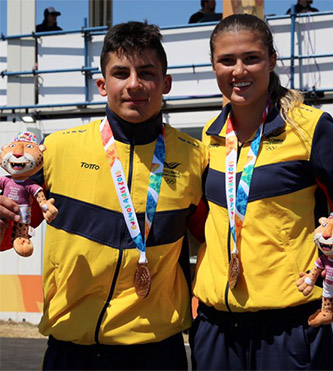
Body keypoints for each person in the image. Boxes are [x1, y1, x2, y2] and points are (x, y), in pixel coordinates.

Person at [0, 21, 208, 370]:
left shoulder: (195, 157)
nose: (134, 85)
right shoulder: (57, 150)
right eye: (120, 73)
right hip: (72, 348)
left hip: (156, 352)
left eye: (147, 72)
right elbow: (11, 233)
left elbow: (215, 241)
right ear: (101, 84)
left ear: (166, 83)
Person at [190, 14, 333, 370]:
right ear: (214, 66)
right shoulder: (207, 139)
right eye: (227, 60)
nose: (238, 70)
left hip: (289, 328)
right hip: (216, 329)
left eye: (251, 58)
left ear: (271, 60)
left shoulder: (312, 129)